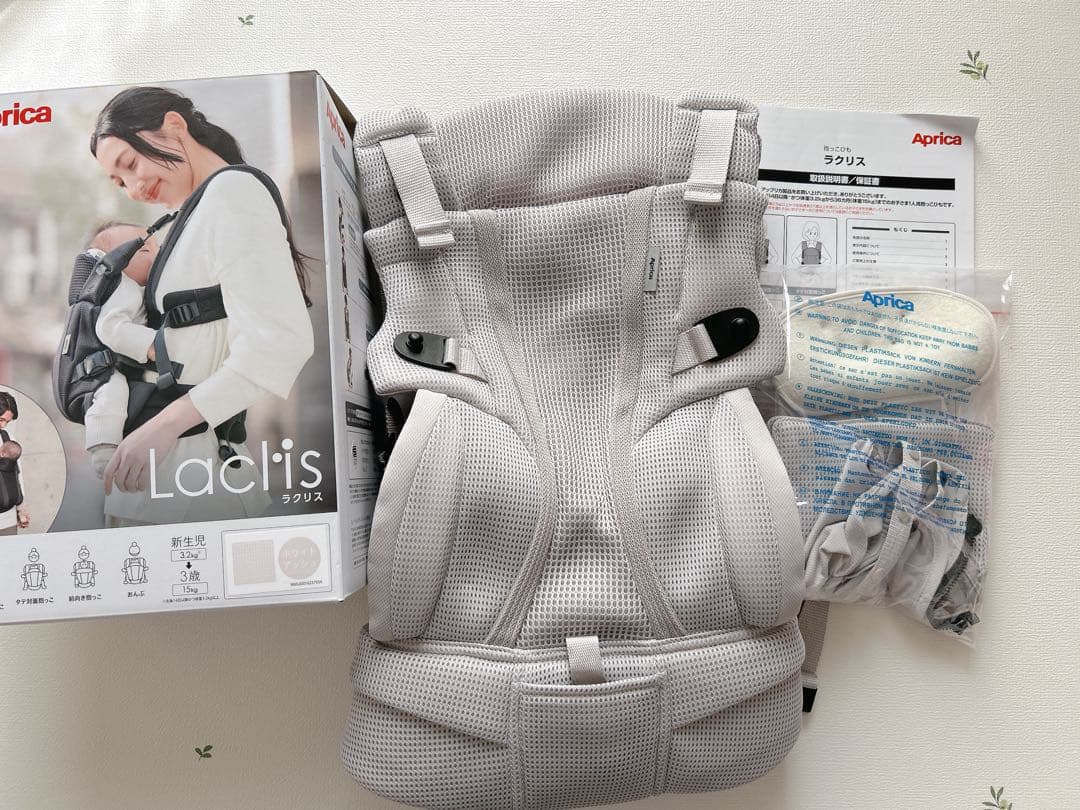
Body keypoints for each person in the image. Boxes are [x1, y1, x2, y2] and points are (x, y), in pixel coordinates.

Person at [90, 87, 314, 527]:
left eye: (130, 164)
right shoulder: (190, 217)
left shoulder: (232, 193)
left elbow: (280, 343)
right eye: (119, 183)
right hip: (166, 480)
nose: (133, 188)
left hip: (192, 479)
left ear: (174, 126)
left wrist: (164, 426)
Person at [81, 223, 160, 478]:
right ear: (117, 263)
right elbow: (110, 327)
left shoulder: (137, 289)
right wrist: (153, 346)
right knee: (112, 392)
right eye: (145, 251)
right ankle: (103, 451)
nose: (158, 255)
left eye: (158, 248)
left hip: (122, 361)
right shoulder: (123, 286)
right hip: (102, 365)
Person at [0, 391, 29, 535]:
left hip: (7, 518)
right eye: (1, 420)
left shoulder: (8, 438)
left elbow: (17, 474)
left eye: (7, 422)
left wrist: (21, 508)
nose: (3, 425)